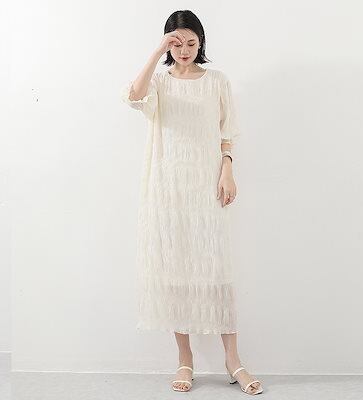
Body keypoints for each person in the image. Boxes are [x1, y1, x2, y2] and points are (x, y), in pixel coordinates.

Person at [121, 9, 263, 395]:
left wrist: (227, 168)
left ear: (201, 43)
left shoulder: (217, 81)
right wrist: (157, 52)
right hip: (167, 188)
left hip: (206, 186)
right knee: (175, 271)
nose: (184, 50)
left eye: (191, 42)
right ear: (167, 44)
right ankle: (185, 359)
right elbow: (133, 96)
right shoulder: (160, 83)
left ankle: (234, 361)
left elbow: (227, 130)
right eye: (176, 43)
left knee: (216, 270)